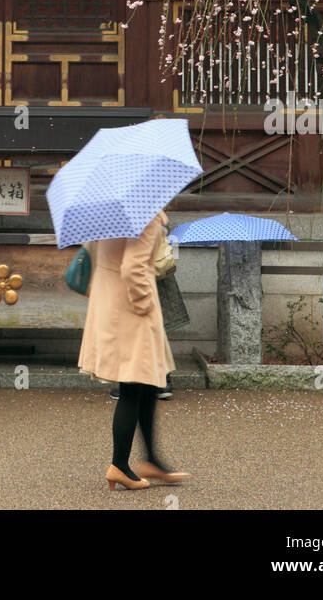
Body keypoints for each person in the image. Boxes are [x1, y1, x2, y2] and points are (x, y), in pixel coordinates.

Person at [78, 209, 191, 492]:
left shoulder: (103, 216)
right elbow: (134, 269)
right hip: (131, 309)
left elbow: (94, 255)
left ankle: (151, 459)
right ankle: (119, 465)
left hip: (109, 302)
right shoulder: (146, 216)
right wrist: (144, 305)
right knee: (132, 385)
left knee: (147, 383)